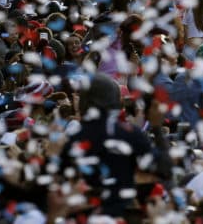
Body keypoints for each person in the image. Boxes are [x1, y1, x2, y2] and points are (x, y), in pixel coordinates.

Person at [56, 73, 172, 218]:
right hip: (122, 216)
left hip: (85, 216)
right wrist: (156, 127)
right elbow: (165, 170)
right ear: (116, 102)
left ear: (84, 103)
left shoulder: (73, 139)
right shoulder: (131, 134)